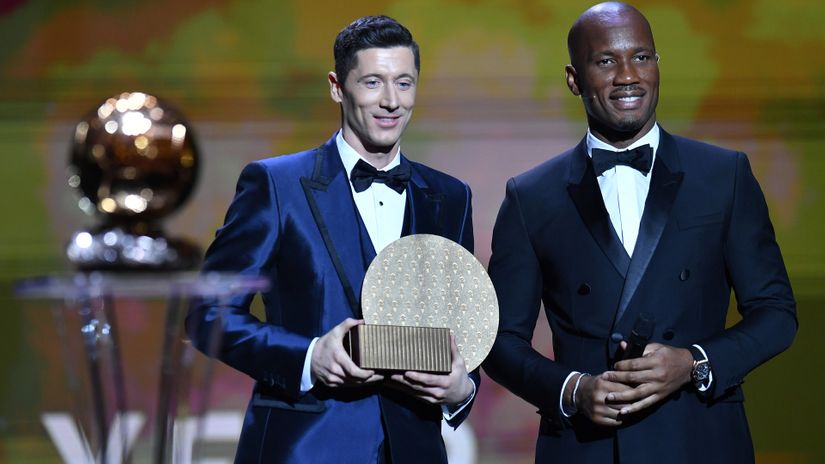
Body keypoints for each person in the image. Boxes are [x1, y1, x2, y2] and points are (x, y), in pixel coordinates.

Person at [482, 2, 797, 463]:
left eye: (641, 57)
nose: (627, 74)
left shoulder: (723, 176)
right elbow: (500, 340)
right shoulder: (531, 196)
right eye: (606, 61)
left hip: (701, 439)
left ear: (657, 65)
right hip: (586, 447)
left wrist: (693, 362)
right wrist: (572, 389)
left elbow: (776, 314)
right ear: (574, 79)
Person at [186, 15, 478, 464]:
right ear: (337, 87)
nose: (391, 101)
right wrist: (308, 357)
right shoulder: (276, 184)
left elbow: (461, 327)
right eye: (373, 83)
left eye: (404, 83)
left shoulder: (450, 197)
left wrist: (461, 389)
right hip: (305, 446)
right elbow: (207, 313)